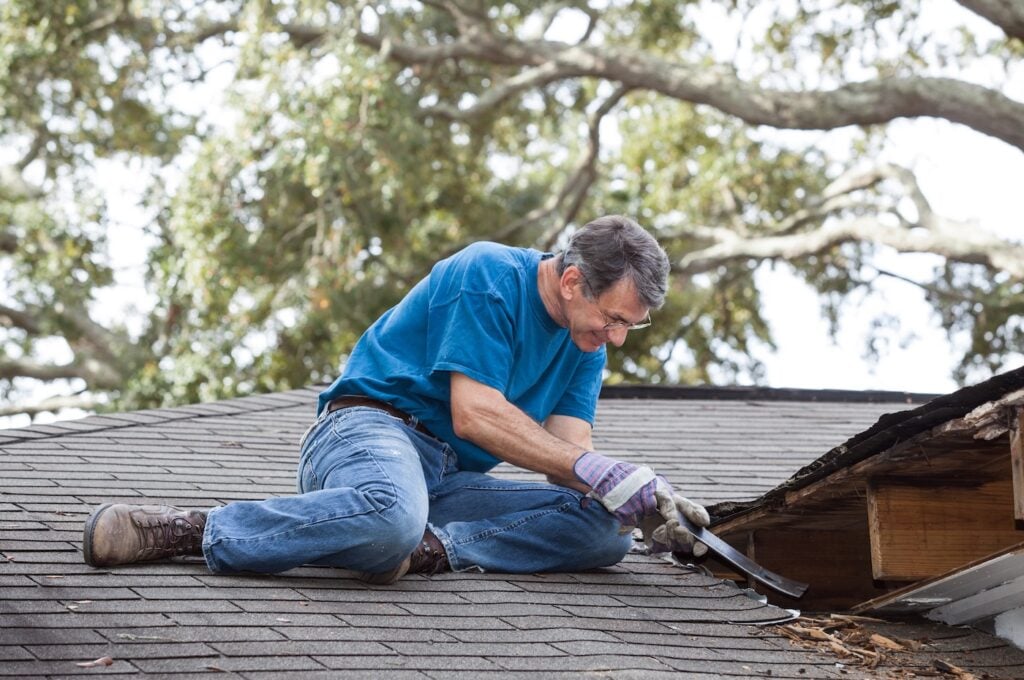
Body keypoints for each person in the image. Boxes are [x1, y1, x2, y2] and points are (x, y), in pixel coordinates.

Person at [82, 215, 710, 582]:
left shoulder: (586, 343)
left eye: (631, 326)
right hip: (368, 432)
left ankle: (426, 551)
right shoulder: (489, 274)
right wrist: (594, 471)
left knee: (604, 534)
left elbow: (570, 456)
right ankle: (193, 530)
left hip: (444, 477)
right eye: (614, 318)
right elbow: (475, 413)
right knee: (391, 515)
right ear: (572, 280)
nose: (617, 338)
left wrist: (635, 500)